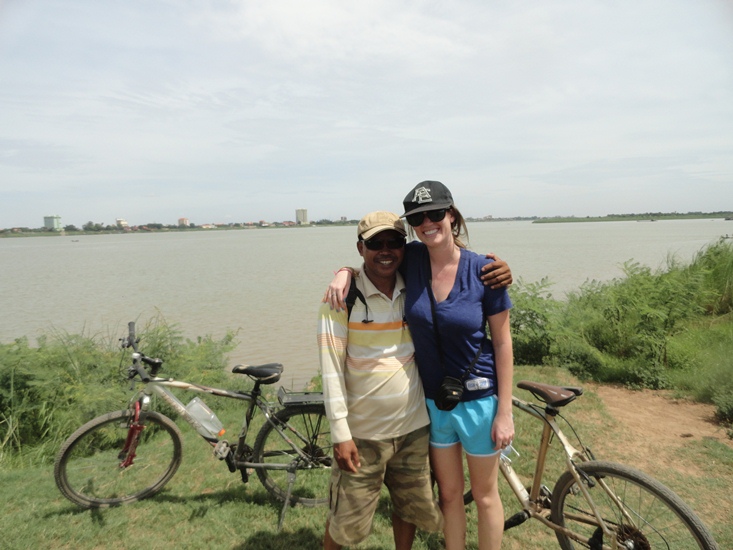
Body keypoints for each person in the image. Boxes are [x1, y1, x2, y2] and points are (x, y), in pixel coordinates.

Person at [325, 182, 514, 550]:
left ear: (453, 216)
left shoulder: (485, 271)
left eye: (436, 214)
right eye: (418, 218)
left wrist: (504, 411)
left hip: (479, 401)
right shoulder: (411, 259)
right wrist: (343, 272)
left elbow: (503, 343)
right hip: (434, 405)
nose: (428, 223)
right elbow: (373, 257)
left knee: (486, 495)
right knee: (449, 495)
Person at [317, 211, 443, 550]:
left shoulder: (415, 288)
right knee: (346, 521)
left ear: (405, 247)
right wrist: (341, 434)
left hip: (414, 429)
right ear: (361, 248)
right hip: (363, 435)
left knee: (410, 509)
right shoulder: (340, 299)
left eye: (394, 242)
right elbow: (330, 369)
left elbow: (454, 260)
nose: (385, 251)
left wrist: (495, 266)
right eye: (376, 243)